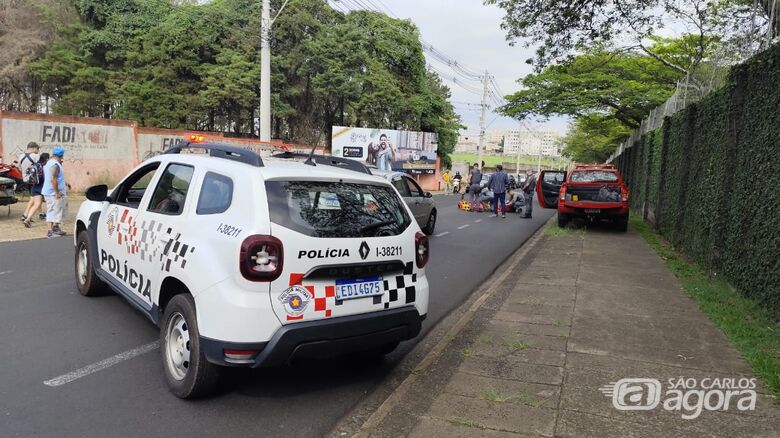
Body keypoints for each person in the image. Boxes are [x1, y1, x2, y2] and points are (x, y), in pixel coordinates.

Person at [41, 147, 70, 238]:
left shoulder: (49, 163)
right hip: (53, 193)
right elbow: (53, 179)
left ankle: (56, 228)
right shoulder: (55, 165)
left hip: (50, 192)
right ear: (61, 155)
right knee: (52, 211)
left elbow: (56, 177)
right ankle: (50, 231)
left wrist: (65, 183)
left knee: (58, 211)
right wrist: (57, 192)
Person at [21, 153, 49, 228]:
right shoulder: (44, 166)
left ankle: (27, 218)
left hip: (34, 186)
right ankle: (28, 219)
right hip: (40, 187)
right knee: (38, 204)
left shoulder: (35, 165)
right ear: (46, 159)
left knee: (36, 204)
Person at [18, 142, 40, 222]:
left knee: (35, 196)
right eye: (37, 149)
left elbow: (19, 168)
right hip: (34, 180)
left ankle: (38, 213)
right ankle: (26, 214)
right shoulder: (35, 156)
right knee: (35, 197)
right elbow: (39, 167)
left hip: (25, 179)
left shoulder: (21, 156)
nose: (38, 151)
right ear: (33, 148)